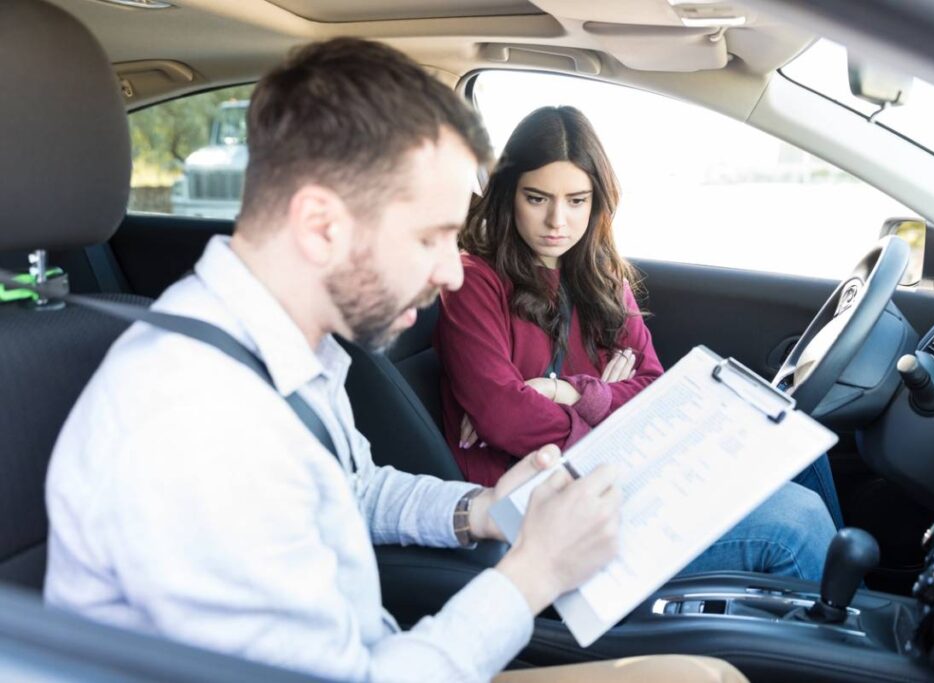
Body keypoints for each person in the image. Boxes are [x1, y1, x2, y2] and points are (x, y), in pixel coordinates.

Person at [43, 38, 745, 683]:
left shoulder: (283, 351)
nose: (453, 272)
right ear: (322, 226)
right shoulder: (197, 423)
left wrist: (485, 509)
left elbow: (354, 487)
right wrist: (534, 572)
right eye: (432, 237)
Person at [435, 106, 840, 580]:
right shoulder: (474, 281)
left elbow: (652, 387)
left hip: (624, 470)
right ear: (508, 195)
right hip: (545, 502)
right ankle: (843, 642)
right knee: (797, 524)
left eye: (577, 201)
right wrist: (611, 424)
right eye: (537, 198)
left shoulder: (601, 276)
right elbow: (505, 416)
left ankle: (857, 608)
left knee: (799, 446)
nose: (556, 221)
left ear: (597, 201)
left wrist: (574, 393)